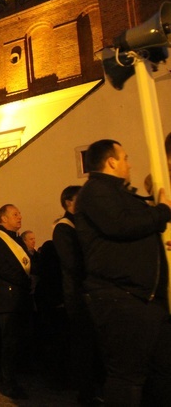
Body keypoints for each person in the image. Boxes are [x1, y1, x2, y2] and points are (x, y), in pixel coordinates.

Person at [75, 139, 171, 406]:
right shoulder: (96, 191)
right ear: (112, 161)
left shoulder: (120, 193)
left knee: (162, 371)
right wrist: (162, 212)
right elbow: (121, 225)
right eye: (125, 157)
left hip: (145, 297)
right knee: (127, 377)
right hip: (122, 297)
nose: (130, 164)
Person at [53, 185, 104, 404]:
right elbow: (72, 262)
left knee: (93, 342)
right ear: (69, 203)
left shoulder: (79, 224)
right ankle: (85, 391)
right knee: (83, 344)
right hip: (77, 293)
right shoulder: (64, 228)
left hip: (88, 291)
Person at [0, 203, 31, 400]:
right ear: (3, 219)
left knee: (17, 340)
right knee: (8, 341)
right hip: (6, 298)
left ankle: (15, 376)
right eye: (14, 214)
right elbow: (0, 267)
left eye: (19, 214)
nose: (19, 217)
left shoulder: (17, 239)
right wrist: (24, 279)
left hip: (19, 297)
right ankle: (8, 381)